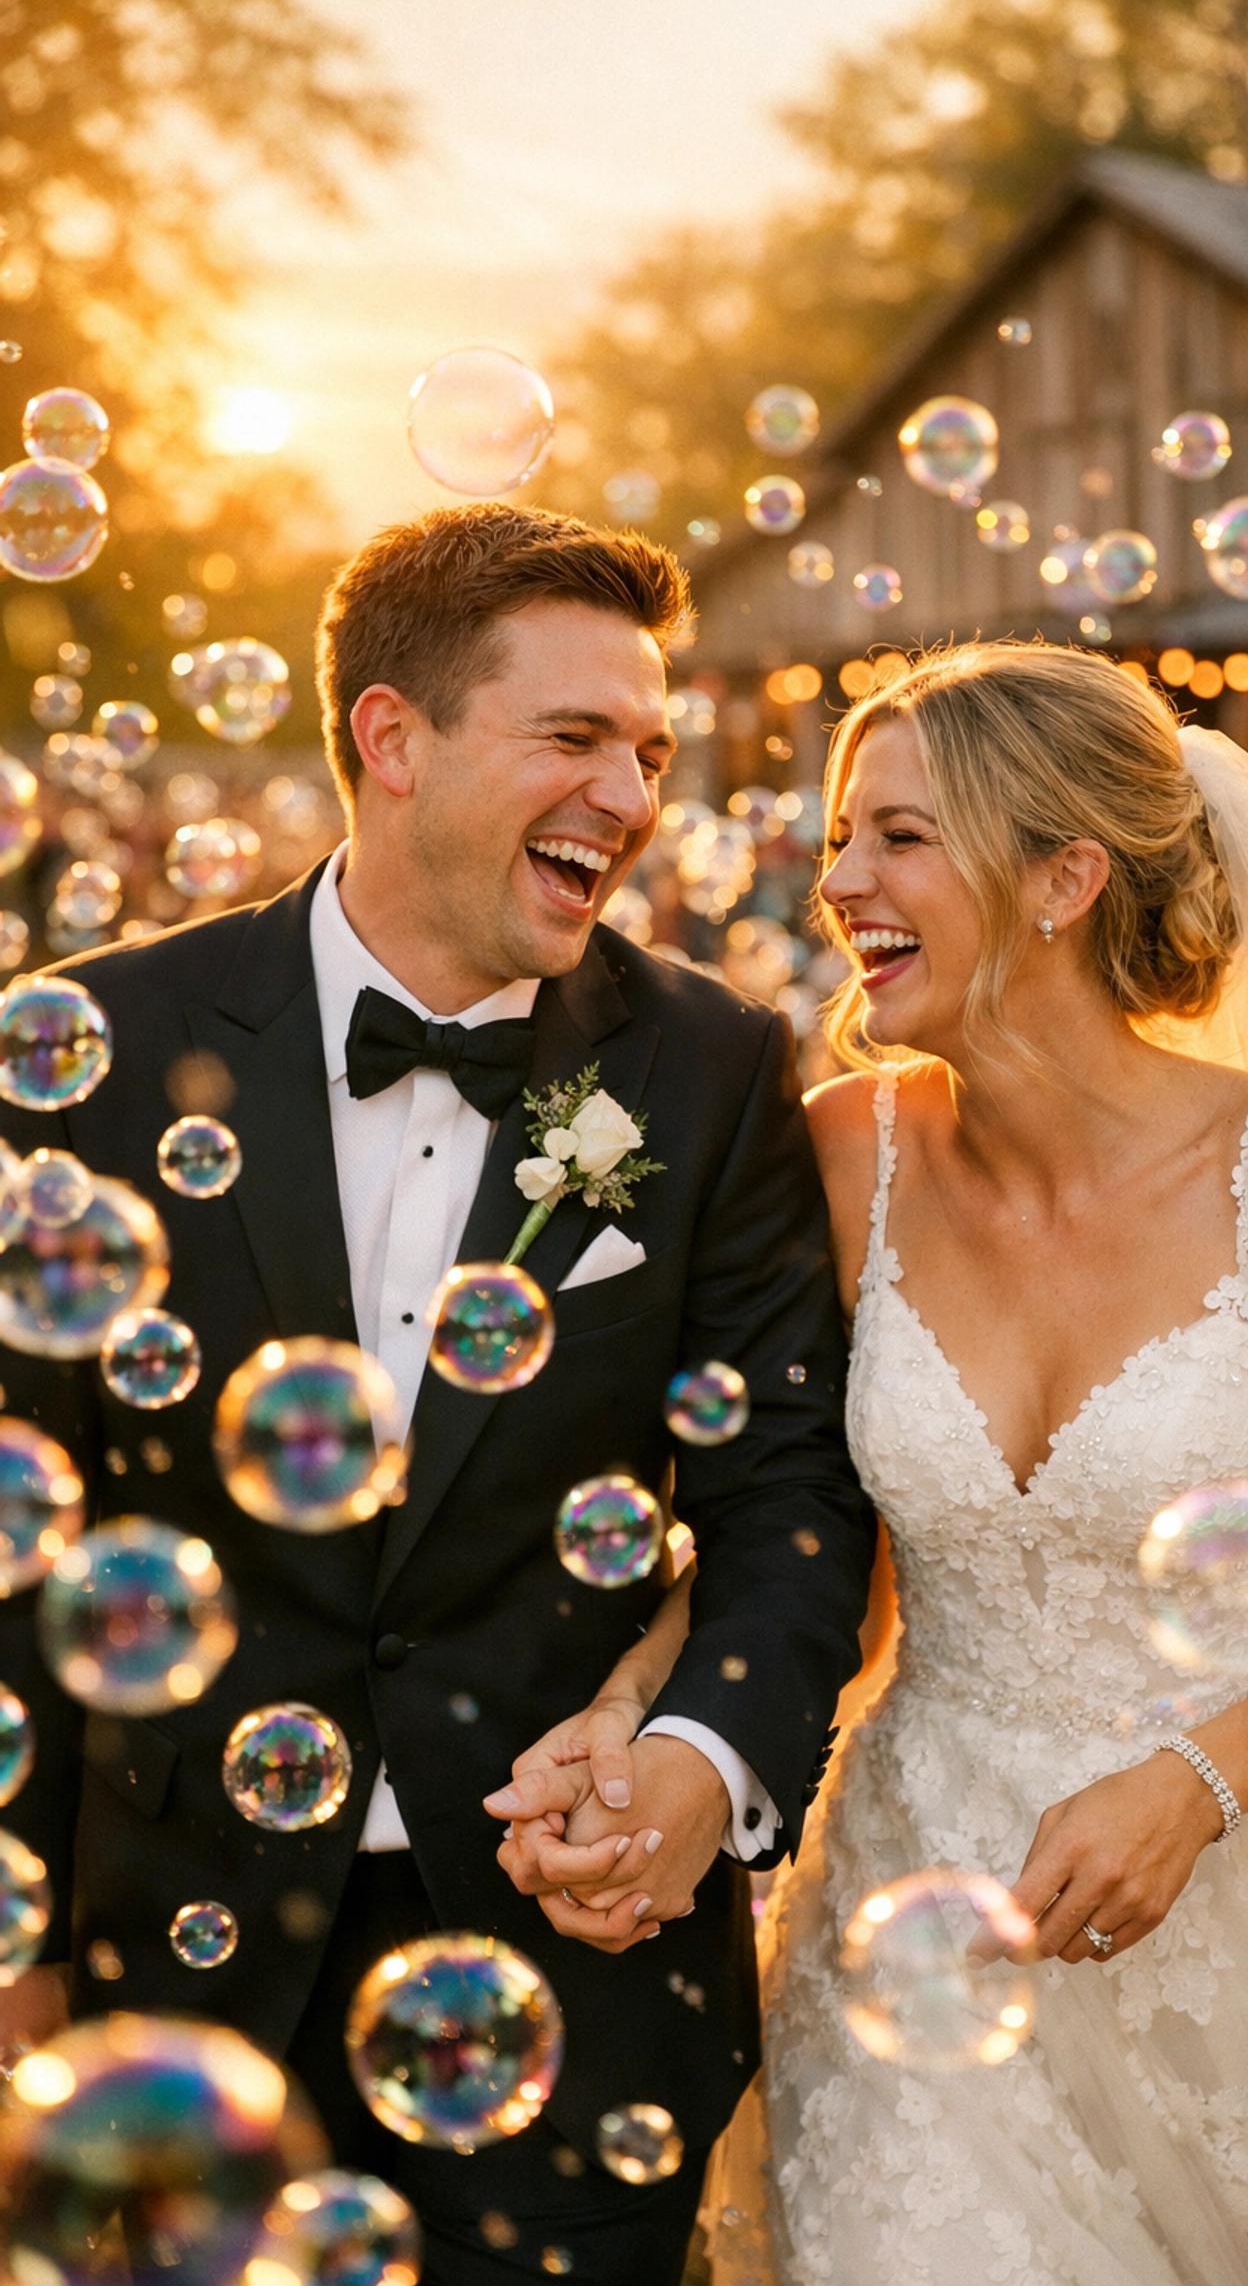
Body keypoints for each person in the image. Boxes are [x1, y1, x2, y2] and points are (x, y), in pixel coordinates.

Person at [500, 640, 1248, 2284]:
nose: (839, 881)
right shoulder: (846, 1157)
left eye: (898, 836)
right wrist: (638, 1709)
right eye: (843, 835)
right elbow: (807, 1544)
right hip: (922, 1935)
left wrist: (1189, 1791)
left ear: (1065, 875)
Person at [0, 503, 875, 2286]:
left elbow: (791, 1485)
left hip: (580, 1980)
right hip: (161, 1972)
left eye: (646, 749)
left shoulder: (706, 1070)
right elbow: (25, 1512)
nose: (631, 796)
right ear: (391, 740)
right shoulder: (85, 1054)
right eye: (574, 738)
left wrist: (705, 1767)